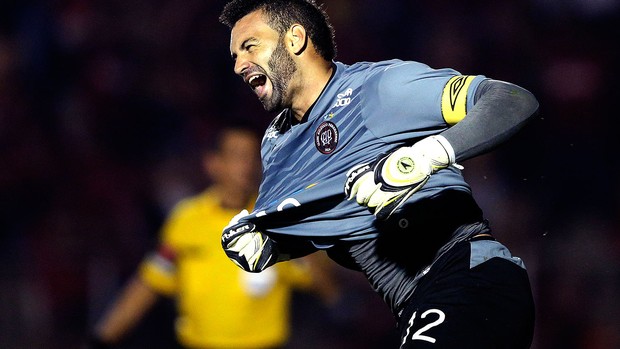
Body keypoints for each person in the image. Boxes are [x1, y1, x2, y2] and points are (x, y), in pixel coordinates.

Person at [218, 1, 539, 348]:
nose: (238, 66)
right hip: (415, 308)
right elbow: (332, 220)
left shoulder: (379, 88)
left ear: (295, 39)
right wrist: (271, 246)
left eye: (250, 46)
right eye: (235, 55)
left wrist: (425, 156)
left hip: (470, 280)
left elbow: (511, 99)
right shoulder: (277, 145)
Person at [90, 125, 340, 349]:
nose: (248, 165)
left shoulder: (279, 217)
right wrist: (102, 338)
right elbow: (149, 283)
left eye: (254, 156)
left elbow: (328, 290)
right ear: (213, 163)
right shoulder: (186, 220)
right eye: (237, 157)